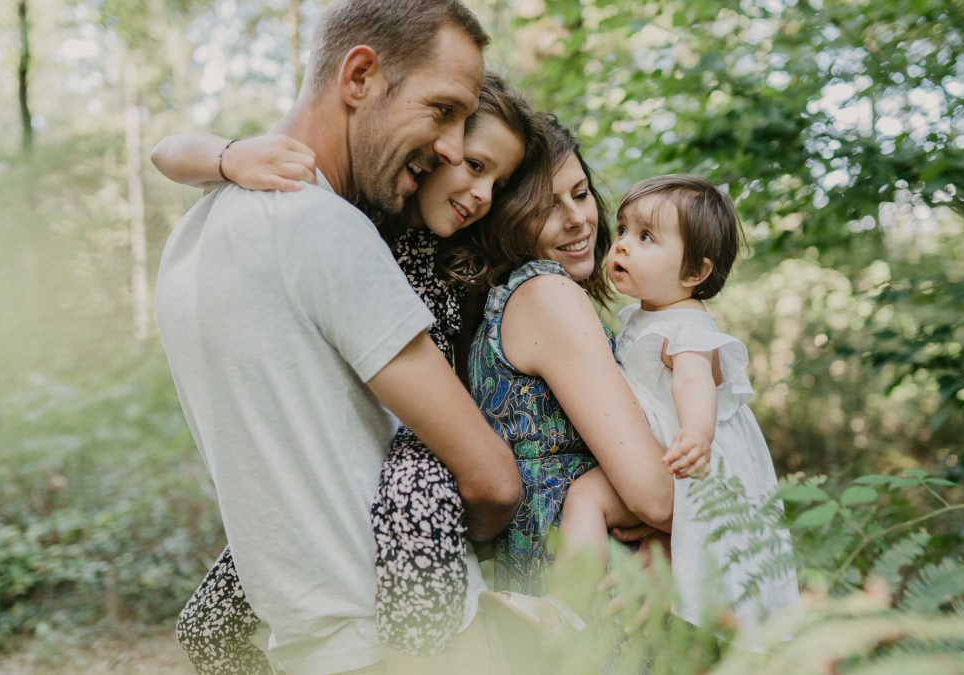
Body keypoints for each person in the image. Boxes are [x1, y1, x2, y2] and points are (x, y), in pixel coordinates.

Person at [152, 2, 522, 673]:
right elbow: (493, 479)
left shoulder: (195, 235)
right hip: (410, 644)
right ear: (359, 77)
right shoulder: (325, 228)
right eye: (442, 110)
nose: (450, 146)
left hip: (303, 644)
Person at [559, 174, 799, 636]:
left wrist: (696, 433)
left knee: (586, 496)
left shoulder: (688, 327)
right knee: (587, 498)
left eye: (646, 236)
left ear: (694, 273)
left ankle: (563, 610)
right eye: (624, 229)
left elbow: (693, 381)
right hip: (661, 458)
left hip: (684, 464)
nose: (623, 245)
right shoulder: (647, 314)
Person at [467, 120, 685, 601]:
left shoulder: (504, 304)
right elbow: (655, 494)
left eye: (581, 193)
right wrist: (674, 528)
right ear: (504, 219)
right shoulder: (547, 294)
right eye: (546, 207)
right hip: (595, 593)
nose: (577, 219)